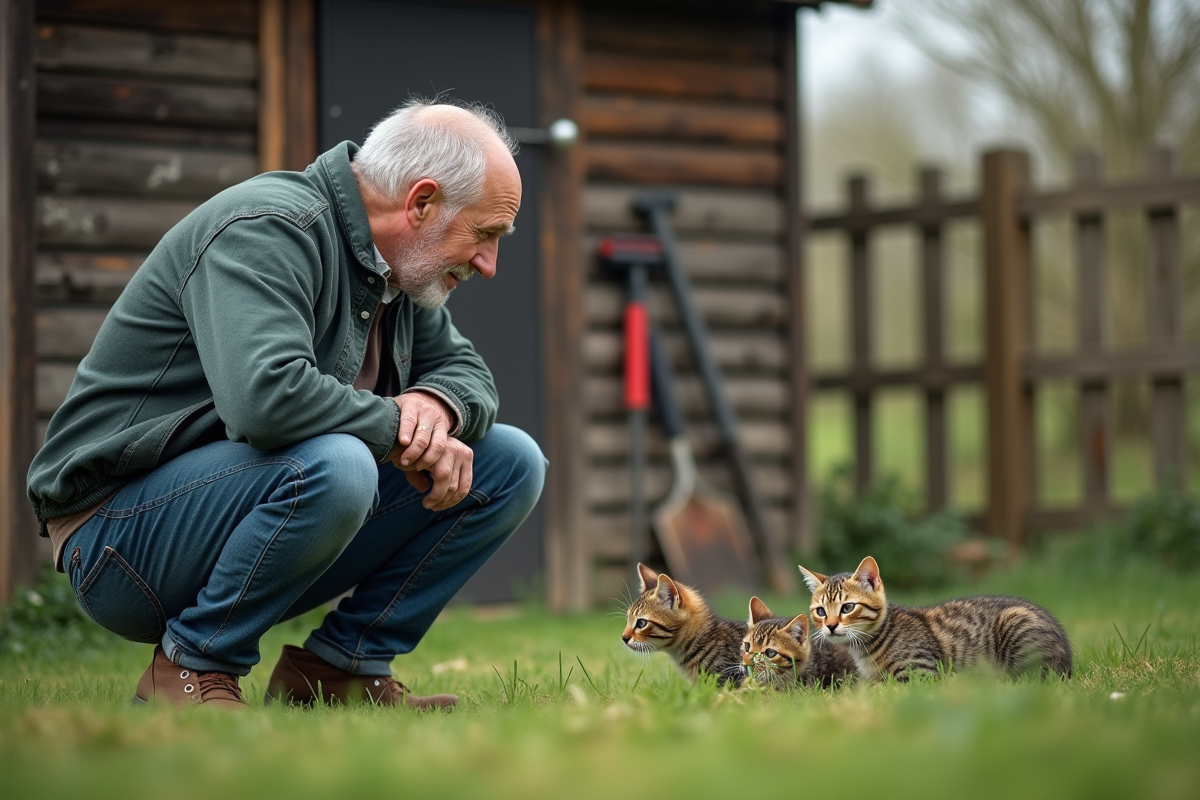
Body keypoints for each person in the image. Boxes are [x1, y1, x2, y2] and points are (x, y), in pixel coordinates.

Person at [25, 98, 546, 710]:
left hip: (245, 511)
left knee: (511, 461)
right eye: (485, 234)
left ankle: (339, 669)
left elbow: (469, 372)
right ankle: (191, 668)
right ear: (421, 202)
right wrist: (399, 423)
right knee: (340, 463)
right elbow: (265, 401)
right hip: (119, 541)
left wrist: (436, 402)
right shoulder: (266, 228)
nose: (488, 264)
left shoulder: (398, 272)